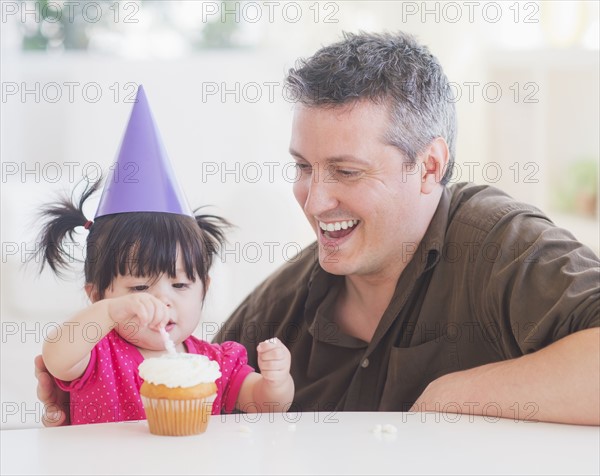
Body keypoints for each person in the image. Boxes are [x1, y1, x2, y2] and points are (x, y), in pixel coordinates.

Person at [36, 32, 599, 426]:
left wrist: (451, 396)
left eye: (347, 172)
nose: (313, 198)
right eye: (303, 167)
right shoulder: (276, 312)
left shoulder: (499, 245)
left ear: (428, 166)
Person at [32, 86, 294, 425]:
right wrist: (111, 313)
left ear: (205, 288)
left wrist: (277, 381)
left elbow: (264, 405)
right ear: (96, 295)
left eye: (181, 285)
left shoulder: (212, 364)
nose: (162, 301)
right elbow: (56, 355)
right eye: (139, 289)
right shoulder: (97, 356)